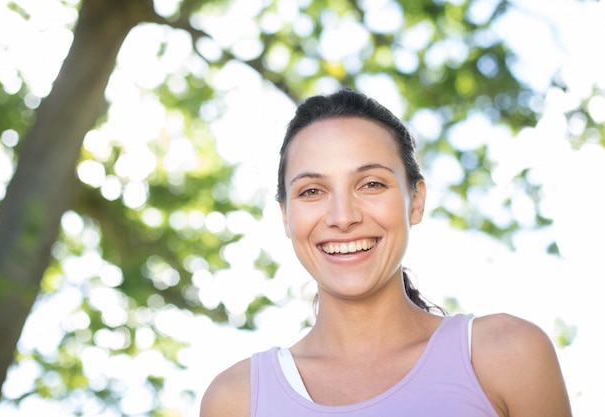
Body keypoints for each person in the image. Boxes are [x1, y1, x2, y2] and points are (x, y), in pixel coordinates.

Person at [200, 89, 572, 417]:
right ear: (285, 217)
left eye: (372, 184)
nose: (343, 218)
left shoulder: (508, 354)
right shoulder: (236, 401)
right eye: (312, 191)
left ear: (416, 201)